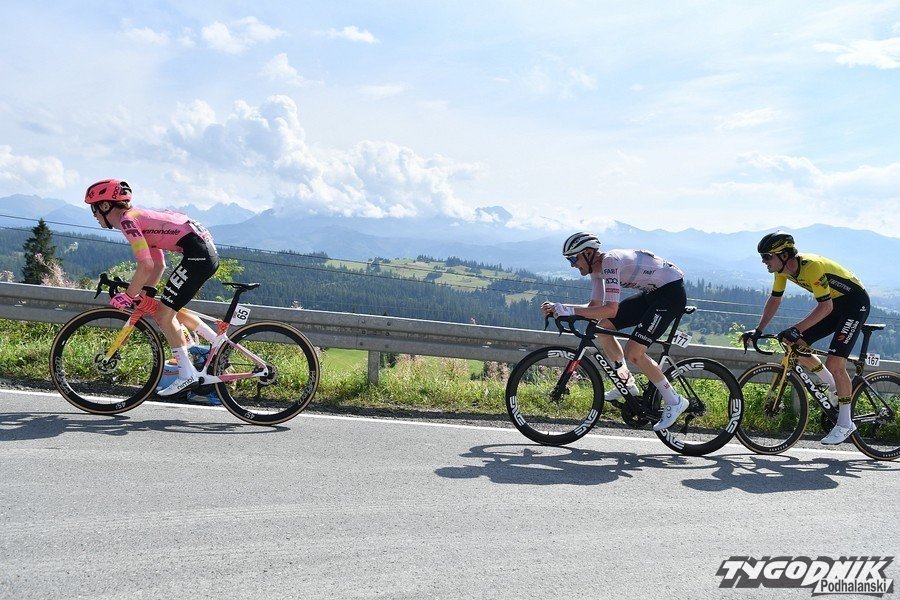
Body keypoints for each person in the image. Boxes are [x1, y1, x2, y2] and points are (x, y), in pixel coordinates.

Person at [84, 179, 220, 397]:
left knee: (165, 315)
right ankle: (216, 344)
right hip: (201, 252)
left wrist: (128, 296)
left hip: (198, 255)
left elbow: (146, 264)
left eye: (94, 208)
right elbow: (158, 264)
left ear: (106, 205)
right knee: (166, 309)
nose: (93, 215)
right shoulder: (138, 217)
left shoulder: (128, 222)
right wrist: (145, 293)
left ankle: (187, 375)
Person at [541, 232, 689, 431]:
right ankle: (627, 382)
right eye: (569, 260)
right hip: (652, 294)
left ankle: (674, 400)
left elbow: (611, 309)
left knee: (634, 352)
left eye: (573, 259)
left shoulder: (610, 262)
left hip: (670, 295)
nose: (572, 265)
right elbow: (595, 306)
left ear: (588, 253)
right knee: (604, 328)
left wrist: (569, 311)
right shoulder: (596, 269)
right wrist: (561, 307)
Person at [740, 231, 870, 445]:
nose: (763, 261)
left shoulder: (811, 266)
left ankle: (845, 423)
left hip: (854, 305)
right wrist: (758, 330)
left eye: (767, 256)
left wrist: (796, 328)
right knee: (795, 344)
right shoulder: (781, 271)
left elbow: (825, 307)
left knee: (835, 363)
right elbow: (775, 300)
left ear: (784, 255)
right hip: (834, 305)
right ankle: (833, 387)